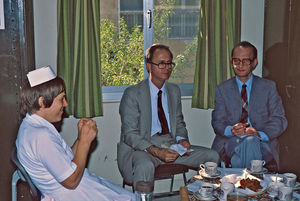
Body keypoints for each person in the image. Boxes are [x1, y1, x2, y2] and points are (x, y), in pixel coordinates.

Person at [16, 66, 136, 201]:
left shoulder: (32, 125)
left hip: (79, 187)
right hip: (73, 194)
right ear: (42, 102)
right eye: (61, 99)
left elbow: (66, 161)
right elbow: (71, 181)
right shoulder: (40, 136)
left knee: (127, 196)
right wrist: (85, 142)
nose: (65, 104)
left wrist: (80, 139)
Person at [117, 44, 219, 188]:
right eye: (161, 63)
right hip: (144, 149)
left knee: (212, 156)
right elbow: (130, 134)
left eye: (169, 63)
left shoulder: (174, 91)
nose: (167, 67)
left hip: (171, 146)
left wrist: (182, 139)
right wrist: (156, 151)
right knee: (145, 165)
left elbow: (178, 122)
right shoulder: (133, 94)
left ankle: (207, 195)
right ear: (149, 66)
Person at [211, 41, 287, 171]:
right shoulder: (222, 89)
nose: (240, 65)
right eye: (236, 60)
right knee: (248, 143)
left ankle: (240, 185)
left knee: (247, 145)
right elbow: (217, 121)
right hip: (231, 141)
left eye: (246, 61)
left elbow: (280, 120)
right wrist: (231, 130)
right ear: (231, 61)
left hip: (263, 143)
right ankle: (252, 186)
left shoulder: (268, 87)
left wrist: (259, 134)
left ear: (254, 62)